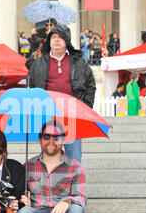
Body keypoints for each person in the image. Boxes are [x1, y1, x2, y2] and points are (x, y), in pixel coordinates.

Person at [28, 23, 96, 162]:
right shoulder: (39, 63)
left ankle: (73, 183)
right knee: (48, 155)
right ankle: (49, 183)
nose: (56, 40)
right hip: (47, 116)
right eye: (53, 37)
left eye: (60, 37)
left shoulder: (79, 63)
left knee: (74, 157)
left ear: (67, 41)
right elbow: (30, 86)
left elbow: (90, 85)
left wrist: (85, 107)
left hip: (72, 115)